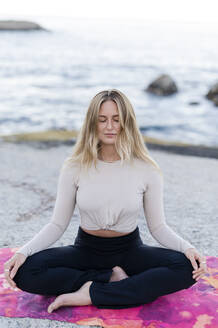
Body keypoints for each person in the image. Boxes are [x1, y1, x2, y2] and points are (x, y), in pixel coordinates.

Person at [4, 89, 208, 313]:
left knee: (189, 268)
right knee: (23, 272)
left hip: (130, 251)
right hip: (86, 250)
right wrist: (23, 252)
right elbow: (57, 225)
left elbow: (158, 227)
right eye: (102, 120)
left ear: (126, 123)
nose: (110, 126)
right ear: (92, 123)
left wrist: (187, 248)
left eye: (116, 120)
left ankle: (90, 293)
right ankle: (111, 280)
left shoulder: (147, 169)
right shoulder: (74, 167)